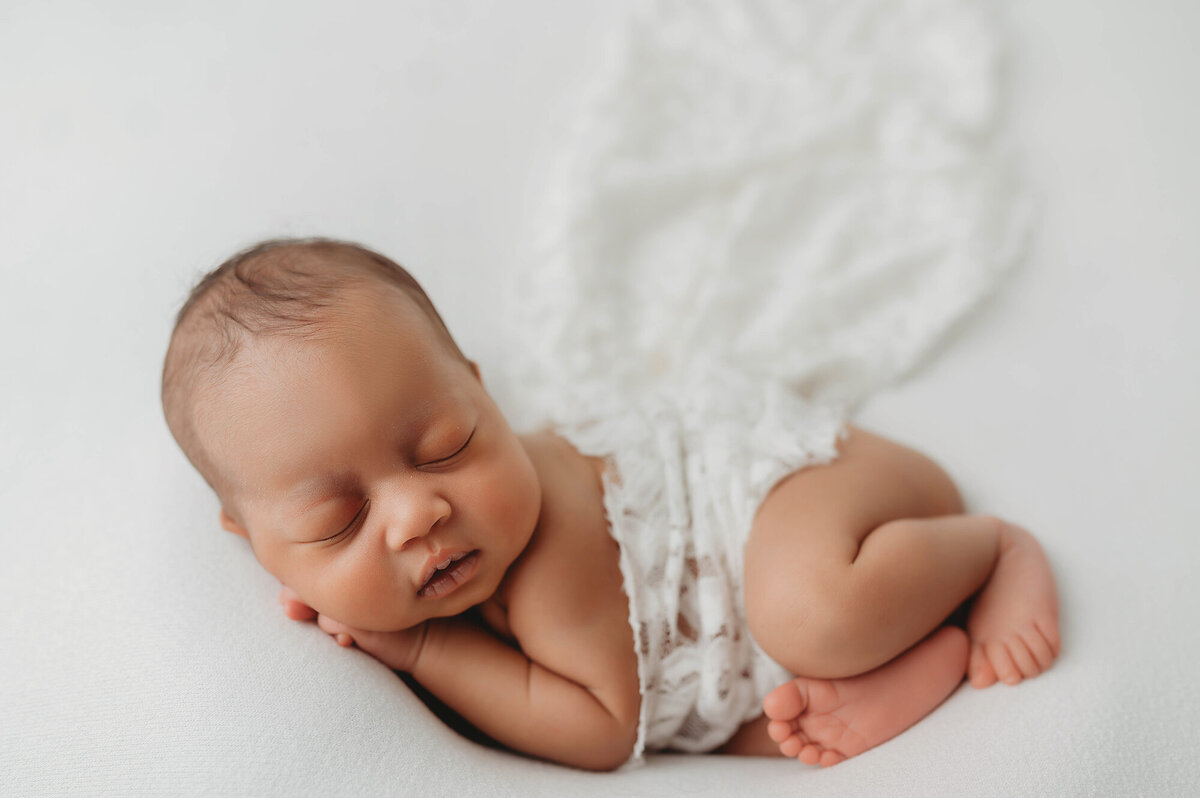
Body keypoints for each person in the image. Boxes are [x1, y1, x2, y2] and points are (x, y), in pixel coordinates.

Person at [161, 237, 1060, 771]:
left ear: (482, 392)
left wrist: (427, 646)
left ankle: (993, 552)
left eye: (449, 448)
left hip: (803, 486)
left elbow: (604, 728)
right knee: (747, 724)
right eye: (337, 523)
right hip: (736, 599)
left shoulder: (546, 554)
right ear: (250, 539)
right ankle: (890, 671)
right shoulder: (425, 544)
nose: (417, 515)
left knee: (809, 613)